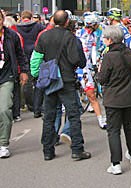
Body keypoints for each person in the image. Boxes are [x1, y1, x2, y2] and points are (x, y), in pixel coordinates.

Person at [30, 10, 90, 161]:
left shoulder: (43, 36)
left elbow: (36, 59)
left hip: (50, 80)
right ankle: (77, 149)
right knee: (73, 114)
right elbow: (78, 60)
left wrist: (37, 75)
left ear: (53, 21)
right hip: (67, 80)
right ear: (67, 21)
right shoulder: (70, 37)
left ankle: (47, 150)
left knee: (49, 116)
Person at [96, 26, 131, 175]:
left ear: (110, 40)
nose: (103, 40)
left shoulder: (109, 56)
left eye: (104, 38)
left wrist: (98, 73)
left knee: (113, 131)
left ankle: (116, 164)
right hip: (130, 96)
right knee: (130, 127)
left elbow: (102, 79)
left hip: (113, 98)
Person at [0, 11, 29, 158]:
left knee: (4, 109)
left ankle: (3, 143)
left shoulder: (11, 35)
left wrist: (24, 71)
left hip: (7, 76)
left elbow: (20, 54)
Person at [16, 10, 45, 118]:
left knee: (27, 83)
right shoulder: (38, 26)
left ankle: (31, 105)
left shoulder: (17, 28)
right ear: (31, 17)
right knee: (38, 81)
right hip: (36, 54)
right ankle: (38, 105)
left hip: (23, 55)